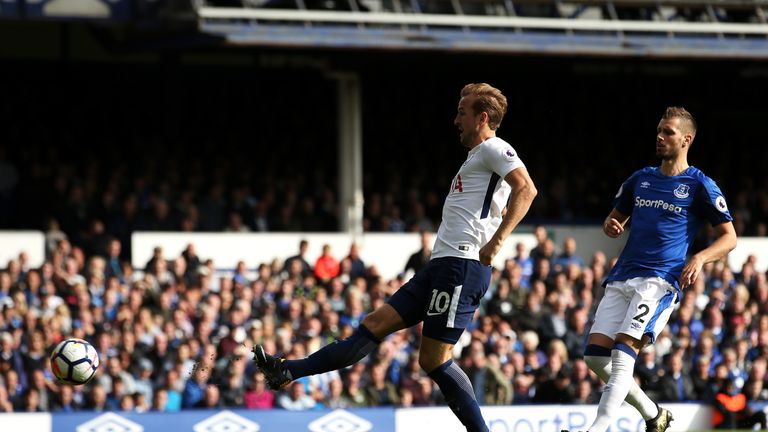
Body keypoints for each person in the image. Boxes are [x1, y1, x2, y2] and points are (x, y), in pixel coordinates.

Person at [254, 83, 537, 432]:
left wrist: (496, 243)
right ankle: (287, 371)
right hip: (440, 267)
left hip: (461, 268)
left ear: (482, 117)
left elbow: (527, 188)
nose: (455, 120)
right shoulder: (476, 158)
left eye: (462, 113)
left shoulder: (496, 147)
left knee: (433, 359)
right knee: (374, 324)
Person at [574, 107, 737, 432]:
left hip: (660, 280)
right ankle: (653, 414)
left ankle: (597, 428)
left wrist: (700, 258)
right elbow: (615, 218)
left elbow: (729, 237)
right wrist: (612, 225)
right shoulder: (640, 178)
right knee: (594, 356)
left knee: (623, 353)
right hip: (622, 275)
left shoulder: (700, 184)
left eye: (668, 133)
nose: (660, 137)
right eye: (659, 131)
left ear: (686, 139)